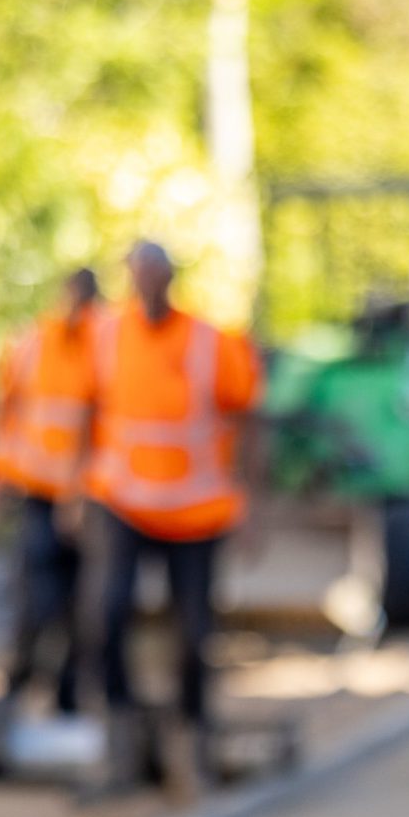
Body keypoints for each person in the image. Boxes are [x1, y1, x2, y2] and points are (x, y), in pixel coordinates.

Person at [83, 241, 262, 782]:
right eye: (138, 275)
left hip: (195, 511)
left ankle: (191, 731)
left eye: (154, 275)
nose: (146, 286)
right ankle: (120, 726)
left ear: (169, 279)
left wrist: (250, 502)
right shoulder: (108, 335)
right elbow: (86, 409)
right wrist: (74, 489)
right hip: (122, 501)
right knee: (106, 613)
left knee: (193, 630)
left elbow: (248, 419)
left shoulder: (210, 343)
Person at [0, 268, 97, 715]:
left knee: (79, 600)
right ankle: (21, 679)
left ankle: (68, 692)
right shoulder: (31, 345)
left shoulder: (104, 347)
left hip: (86, 498)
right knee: (37, 595)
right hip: (37, 491)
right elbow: (5, 413)